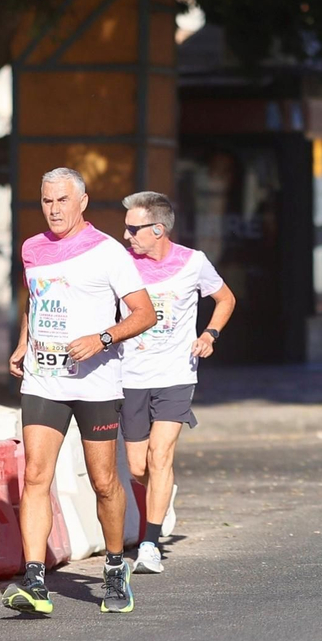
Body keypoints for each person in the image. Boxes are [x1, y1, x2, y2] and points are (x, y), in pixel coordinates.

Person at [3, 168, 156, 616]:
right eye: (47, 201)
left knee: (104, 481)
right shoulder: (32, 248)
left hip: (95, 382)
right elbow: (33, 297)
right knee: (35, 476)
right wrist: (22, 340)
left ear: (82, 201)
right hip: (44, 379)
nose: (53, 210)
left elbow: (144, 314)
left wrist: (102, 339)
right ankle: (34, 579)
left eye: (62, 201)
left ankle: (113, 567)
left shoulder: (108, 252)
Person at [118, 191, 237, 574]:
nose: (127, 235)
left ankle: (150, 543)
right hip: (130, 374)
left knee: (161, 454)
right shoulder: (121, 264)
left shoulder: (193, 263)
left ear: (158, 229)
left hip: (176, 374)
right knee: (138, 467)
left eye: (134, 229)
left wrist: (210, 335)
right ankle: (163, 494)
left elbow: (225, 299)